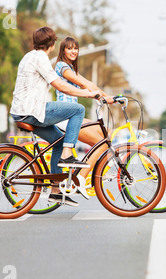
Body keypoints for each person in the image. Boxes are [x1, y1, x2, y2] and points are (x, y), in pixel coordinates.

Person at [10, 27, 102, 206]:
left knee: (58, 141)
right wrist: (88, 94)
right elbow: (60, 86)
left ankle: (55, 192)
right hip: (32, 111)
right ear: (53, 44)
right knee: (78, 110)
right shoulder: (40, 58)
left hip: (24, 111)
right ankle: (68, 154)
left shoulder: (29, 56)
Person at [53, 36, 114, 199]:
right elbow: (83, 85)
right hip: (65, 117)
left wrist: (109, 97)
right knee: (101, 144)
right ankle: (81, 178)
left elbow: (90, 84)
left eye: (75, 48)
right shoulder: (62, 67)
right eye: (69, 48)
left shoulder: (71, 68)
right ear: (63, 50)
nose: (73, 51)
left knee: (106, 133)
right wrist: (99, 96)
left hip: (72, 115)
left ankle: (92, 170)